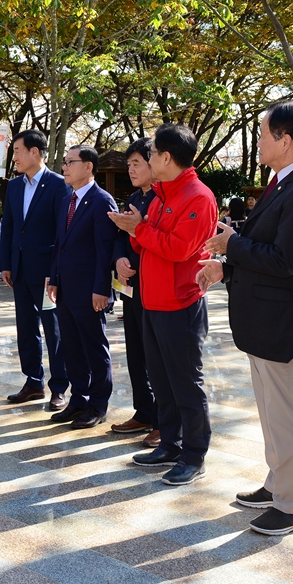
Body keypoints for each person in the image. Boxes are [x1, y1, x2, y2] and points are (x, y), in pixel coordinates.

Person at [197, 101, 293, 536]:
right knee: (274, 414)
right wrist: (227, 264)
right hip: (267, 322)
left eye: (262, 134)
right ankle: (279, 485)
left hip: (285, 324)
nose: (257, 141)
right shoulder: (285, 182)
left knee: (289, 416)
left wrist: (229, 248)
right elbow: (266, 247)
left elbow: (285, 260)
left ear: (285, 140)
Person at [109, 123, 217, 486]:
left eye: (152, 153)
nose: (148, 158)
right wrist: (133, 229)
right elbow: (147, 244)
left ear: (167, 158)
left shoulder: (197, 196)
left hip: (180, 302)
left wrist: (138, 229)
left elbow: (179, 249)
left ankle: (194, 454)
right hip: (150, 300)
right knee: (162, 379)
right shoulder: (160, 195)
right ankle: (169, 443)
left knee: (186, 381)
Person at [47, 145, 118, 428]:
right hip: (65, 287)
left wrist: (102, 288)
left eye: (69, 162)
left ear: (88, 166)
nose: (64, 167)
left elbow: (106, 250)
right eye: (63, 163)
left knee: (94, 348)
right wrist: (54, 278)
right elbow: (59, 245)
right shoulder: (67, 200)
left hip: (91, 291)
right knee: (72, 347)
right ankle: (78, 400)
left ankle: (98, 405)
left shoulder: (102, 201)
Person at [0, 129, 70, 409]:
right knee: (26, 328)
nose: (14, 156)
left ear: (34, 152)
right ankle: (33, 381)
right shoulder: (14, 186)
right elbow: (10, 228)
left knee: (54, 330)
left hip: (46, 274)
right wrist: (6, 263)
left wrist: (55, 273)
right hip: (19, 269)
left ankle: (59, 386)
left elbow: (61, 234)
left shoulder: (58, 184)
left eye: (17, 150)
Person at [112, 138, 160, 447]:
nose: (130, 169)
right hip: (131, 286)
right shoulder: (133, 197)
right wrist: (119, 261)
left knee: (156, 355)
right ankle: (143, 411)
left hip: (156, 285)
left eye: (136, 164)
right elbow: (120, 236)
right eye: (128, 164)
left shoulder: (161, 199)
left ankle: (161, 420)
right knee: (135, 350)